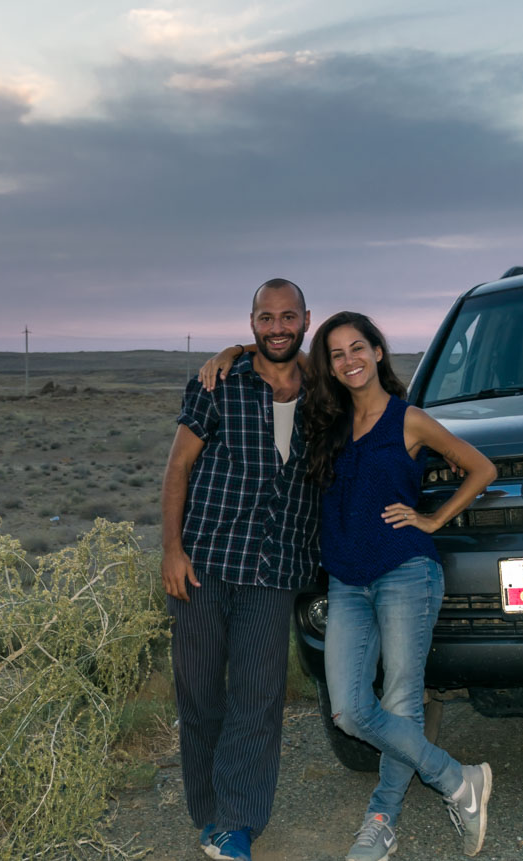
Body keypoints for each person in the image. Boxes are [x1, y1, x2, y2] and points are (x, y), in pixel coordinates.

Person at [200, 312, 498, 858]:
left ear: (378, 352)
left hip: (406, 571)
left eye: (357, 348)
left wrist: (432, 520)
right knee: (349, 711)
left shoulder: (410, 420)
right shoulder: (327, 423)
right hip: (346, 582)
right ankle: (458, 779)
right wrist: (237, 351)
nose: (348, 360)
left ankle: (380, 824)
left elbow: (481, 469)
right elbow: (279, 354)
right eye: (336, 354)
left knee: (401, 702)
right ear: (329, 367)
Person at [161, 279, 321, 861]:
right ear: (251, 322)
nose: (277, 327)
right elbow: (178, 467)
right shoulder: (219, 381)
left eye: (288, 316)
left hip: (275, 568)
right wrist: (171, 550)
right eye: (265, 317)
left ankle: (237, 822)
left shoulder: (324, 393)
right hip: (205, 561)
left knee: (258, 696)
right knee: (200, 692)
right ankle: (208, 810)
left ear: (306, 318)